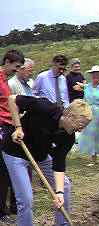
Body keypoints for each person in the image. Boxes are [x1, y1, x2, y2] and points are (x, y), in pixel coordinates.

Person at [2, 95, 92, 226]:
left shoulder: (68, 137)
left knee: (64, 186)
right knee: (26, 200)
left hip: (40, 156)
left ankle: (62, 224)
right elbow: (12, 99)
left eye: (83, 127)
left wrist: (59, 193)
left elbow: (59, 164)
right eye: (79, 125)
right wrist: (18, 128)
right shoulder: (45, 108)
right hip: (15, 152)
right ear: (69, 116)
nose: (80, 129)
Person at [0, 49, 24, 224]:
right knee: (2, 172)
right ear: (6, 61)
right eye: (16, 66)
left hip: (7, 127)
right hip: (1, 129)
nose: (17, 70)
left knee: (6, 171)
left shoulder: (5, 80)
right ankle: (1, 211)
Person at [8, 58, 35, 196]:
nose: (32, 73)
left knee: (29, 158)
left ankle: (28, 186)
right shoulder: (12, 84)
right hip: (18, 125)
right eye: (30, 70)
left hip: (30, 126)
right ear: (22, 69)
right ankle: (20, 190)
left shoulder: (30, 83)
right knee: (20, 160)